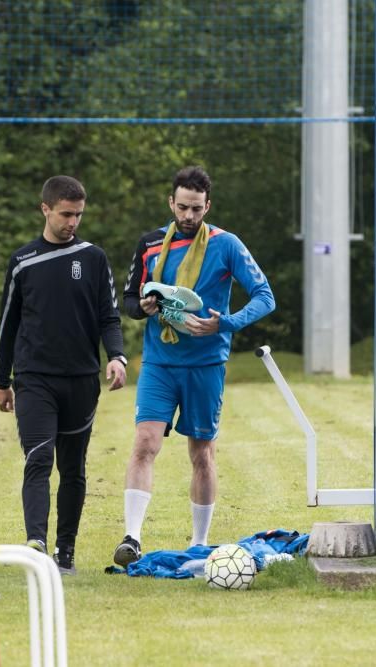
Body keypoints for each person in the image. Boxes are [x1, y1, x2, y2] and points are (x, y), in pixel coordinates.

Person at [113, 165, 275, 566]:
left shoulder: (228, 245)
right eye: (182, 208)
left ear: (208, 206)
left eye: (196, 210)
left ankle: (199, 543)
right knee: (145, 443)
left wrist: (226, 322)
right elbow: (129, 301)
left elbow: (264, 296)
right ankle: (131, 538)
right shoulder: (150, 244)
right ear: (171, 202)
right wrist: (145, 307)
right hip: (159, 362)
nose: (188, 216)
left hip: (206, 364)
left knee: (202, 453)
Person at [0, 175, 127, 575]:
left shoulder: (94, 258)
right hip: (34, 378)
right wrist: (2, 380)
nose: (73, 222)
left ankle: (64, 550)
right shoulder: (22, 262)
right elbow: (8, 324)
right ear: (46, 209)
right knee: (39, 457)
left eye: (79, 215)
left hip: (82, 380)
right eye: (66, 214)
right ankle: (36, 542)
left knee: (73, 469)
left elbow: (109, 316)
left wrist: (117, 356)